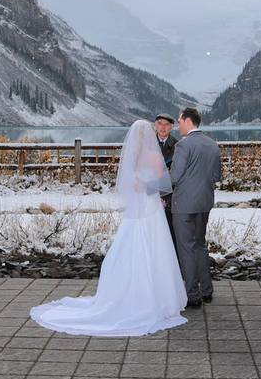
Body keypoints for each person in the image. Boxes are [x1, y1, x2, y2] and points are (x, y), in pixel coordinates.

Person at [30, 120, 186, 336]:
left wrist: (142, 187)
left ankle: (130, 292)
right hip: (151, 207)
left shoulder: (132, 156)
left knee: (132, 245)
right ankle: (160, 296)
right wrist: (151, 190)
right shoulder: (153, 155)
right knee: (156, 248)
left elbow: (130, 183)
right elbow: (162, 181)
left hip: (138, 208)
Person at [170, 107, 223, 307]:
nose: (178, 125)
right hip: (204, 202)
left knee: (186, 249)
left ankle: (192, 295)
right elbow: (216, 176)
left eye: (179, 121)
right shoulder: (212, 144)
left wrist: (150, 184)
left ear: (187, 121)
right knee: (200, 245)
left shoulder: (183, 146)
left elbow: (174, 177)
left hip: (184, 204)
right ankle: (207, 290)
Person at [155, 113, 179, 247]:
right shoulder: (147, 143)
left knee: (169, 229)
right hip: (149, 192)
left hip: (169, 196)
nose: (162, 127)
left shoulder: (177, 145)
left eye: (166, 125)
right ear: (155, 125)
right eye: (160, 124)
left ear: (171, 127)